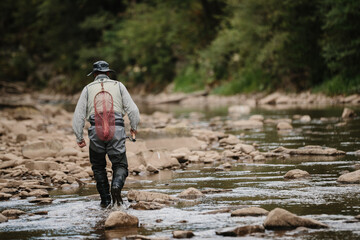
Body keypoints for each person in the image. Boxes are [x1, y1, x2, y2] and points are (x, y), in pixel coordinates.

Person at [72, 60, 140, 208]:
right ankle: (116, 186)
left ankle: (105, 201)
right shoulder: (119, 85)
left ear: (94, 74)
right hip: (117, 129)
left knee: (98, 166)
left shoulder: (87, 89)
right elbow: (133, 110)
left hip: (95, 130)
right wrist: (133, 128)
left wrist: (79, 137)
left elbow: (78, 115)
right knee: (120, 164)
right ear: (108, 73)